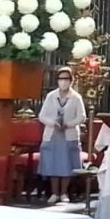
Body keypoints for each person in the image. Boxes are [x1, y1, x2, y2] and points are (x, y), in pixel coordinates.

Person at [37, 66, 87, 204]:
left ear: (71, 81)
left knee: (67, 163)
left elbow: (82, 117)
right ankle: (54, 192)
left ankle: (64, 193)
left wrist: (69, 124)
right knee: (53, 163)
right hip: (53, 134)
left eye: (66, 79)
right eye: (61, 79)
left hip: (68, 134)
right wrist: (53, 123)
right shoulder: (51, 96)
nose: (63, 82)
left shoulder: (76, 98)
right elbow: (42, 115)